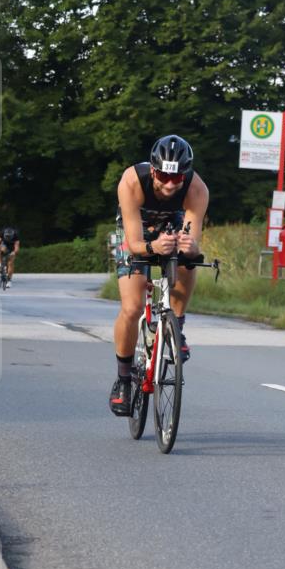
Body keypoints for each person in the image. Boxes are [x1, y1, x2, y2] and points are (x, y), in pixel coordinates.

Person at [109, 135, 209, 415]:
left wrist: (190, 248)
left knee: (189, 260)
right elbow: (134, 242)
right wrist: (153, 247)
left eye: (177, 178)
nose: (170, 184)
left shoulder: (197, 189)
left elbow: (193, 237)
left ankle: (177, 325)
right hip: (136, 229)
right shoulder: (131, 181)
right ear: (153, 170)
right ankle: (124, 380)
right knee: (132, 307)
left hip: (171, 223)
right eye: (164, 176)